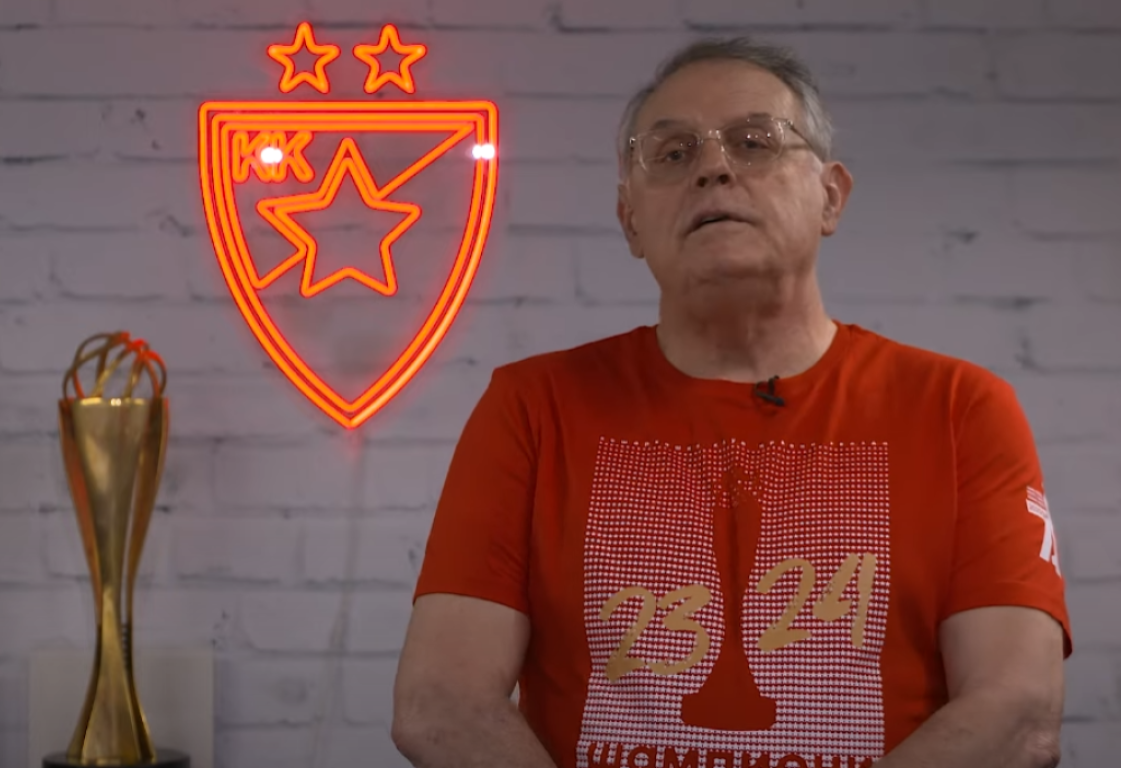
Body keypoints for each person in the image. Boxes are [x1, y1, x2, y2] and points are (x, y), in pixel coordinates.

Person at [391, 37, 1071, 768]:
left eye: (754, 142)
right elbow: (441, 705)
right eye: (673, 153)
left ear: (831, 197)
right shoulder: (531, 407)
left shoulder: (959, 409)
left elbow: (1018, 712)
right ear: (630, 222)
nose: (713, 168)